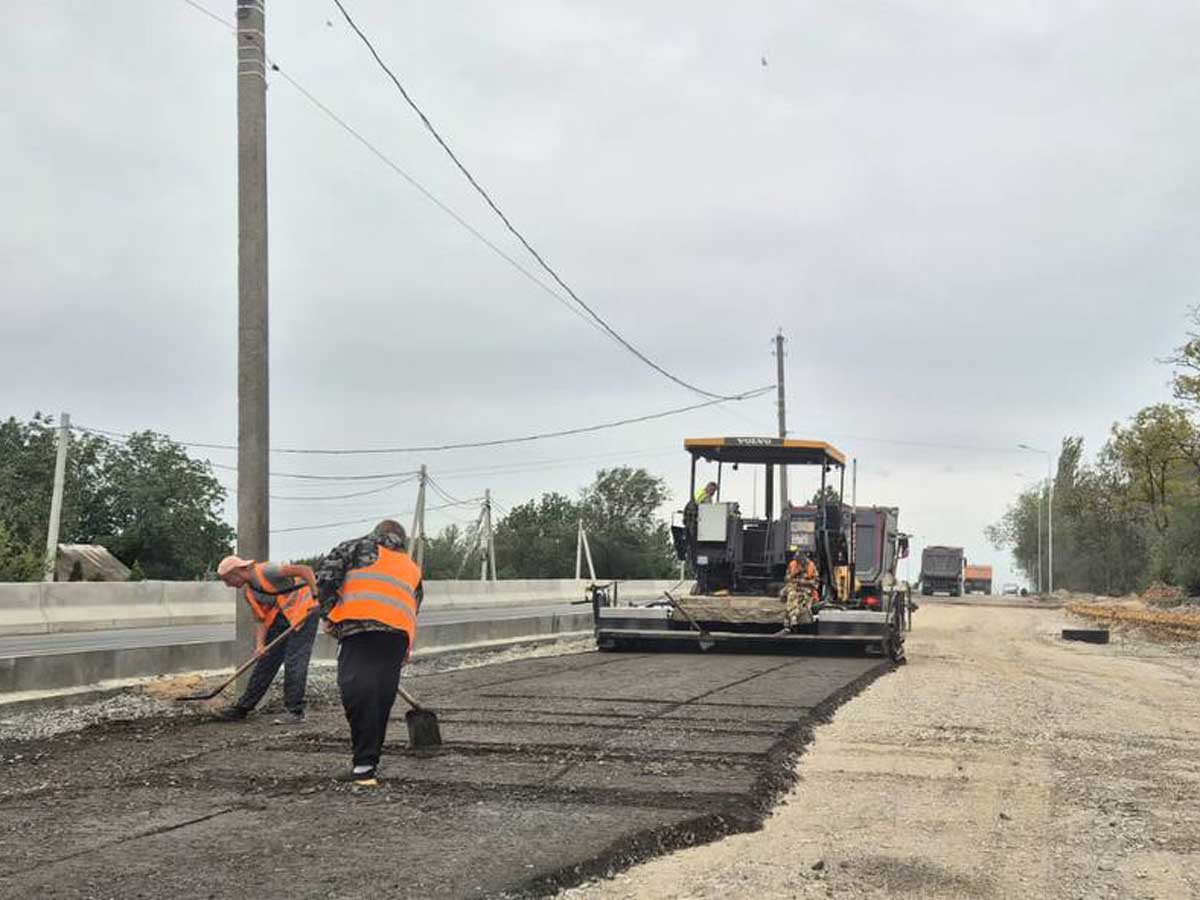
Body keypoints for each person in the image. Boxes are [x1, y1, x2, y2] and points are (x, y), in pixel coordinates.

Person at [315, 519, 423, 787]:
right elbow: (414, 605)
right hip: (396, 638)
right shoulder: (411, 567)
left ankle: (364, 765)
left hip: (360, 630)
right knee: (380, 699)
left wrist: (328, 615)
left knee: (357, 694)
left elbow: (325, 579)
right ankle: (367, 764)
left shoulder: (356, 547)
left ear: (376, 533)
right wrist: (406, 646)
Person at [214, 556, 320, 724]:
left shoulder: (268, 571)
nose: (228, 585)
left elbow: (305, 570)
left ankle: (294, 711)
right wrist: (260, 645)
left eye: (228, 580)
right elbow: (260, 620)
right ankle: (242, 708)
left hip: (304, 611)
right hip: (281, 618)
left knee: (294, 661)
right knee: (266, 662)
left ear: (238, 571)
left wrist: (316, 597)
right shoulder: (249, 593)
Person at [780, 551, 820, 632]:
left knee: (803, 600)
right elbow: (787, 579)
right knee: (792, 595)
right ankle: (792, 618)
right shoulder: (792, 564)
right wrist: (795, 577)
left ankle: (793, 618)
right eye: (797, 559)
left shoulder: (811, 566)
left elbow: (815, 583)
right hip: (793, 588)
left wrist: (803, 582)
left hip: (806, 589)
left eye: (800, 560)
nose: (798, 562)